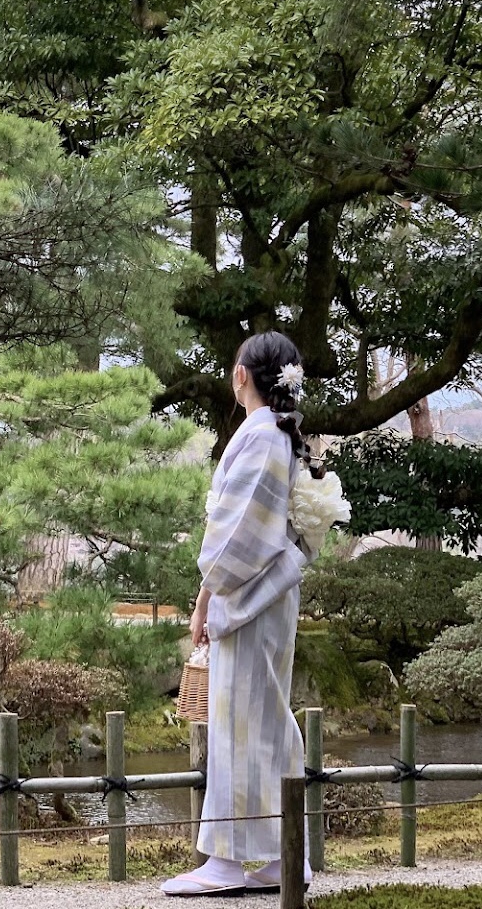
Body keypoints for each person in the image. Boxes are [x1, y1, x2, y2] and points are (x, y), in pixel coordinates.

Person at [161, 331, 312, 898]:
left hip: (250, 599)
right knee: (266, 719)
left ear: (241, 376)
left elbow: (234, 539)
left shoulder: (261, 438)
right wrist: (210, 592)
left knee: (240, 722)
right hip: (266, 596)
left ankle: (228, 859)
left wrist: (206, 592)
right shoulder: (279, 434)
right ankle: (278, 856)